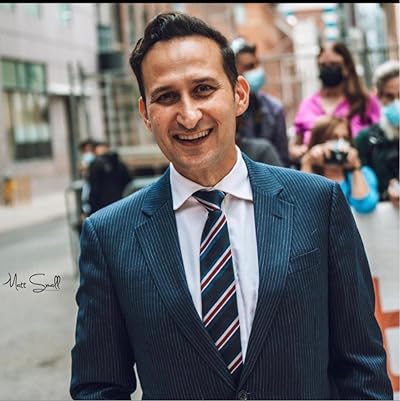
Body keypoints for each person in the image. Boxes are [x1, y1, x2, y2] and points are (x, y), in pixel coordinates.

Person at [70, 12, 392, 400]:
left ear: (239, 94)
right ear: (146, 113)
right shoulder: (110, 236)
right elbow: (98, 386)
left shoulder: (318, 204)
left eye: (203, 89)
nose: (189, 115)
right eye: (166, 97)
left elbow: (361, 365)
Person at [289, 41, 381, 166]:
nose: (328, 69)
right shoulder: (308, 104)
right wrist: (298, 152)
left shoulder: (365, 102)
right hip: (314, 172)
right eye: (323, 65)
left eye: (334, 64)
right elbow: (294, 145)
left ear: (347, 67)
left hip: (357, 170)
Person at [300, 115, 379, 214]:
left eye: (345, 138)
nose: (340, 144)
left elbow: (365, 205)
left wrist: (355, 167)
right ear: (319, 141)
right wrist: (307, 163)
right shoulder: (307, 174)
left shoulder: (364, 173)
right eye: (333, 138)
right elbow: (301, 204)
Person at [232, 37, 290, 166]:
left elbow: (283, 160)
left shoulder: (274, 109)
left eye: (257, 64)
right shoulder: (228, 109)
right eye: (249, 67)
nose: (256, 71)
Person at [355, 60, 399, 205]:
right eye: (390, 96)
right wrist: (386, 194)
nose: (396, 103)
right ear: (379, 96)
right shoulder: (365, 140)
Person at [85, 141, 132, 215]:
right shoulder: (119, 163)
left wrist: (92, 205)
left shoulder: (96, 164)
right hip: (120, 202)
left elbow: (94, 187)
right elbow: (128, 181)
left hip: (102, 205)